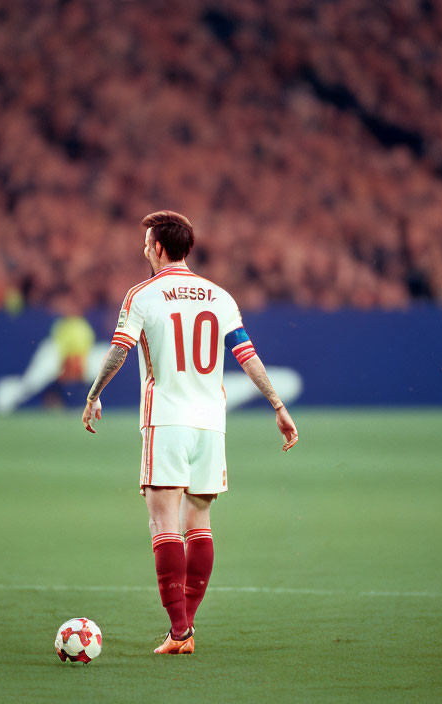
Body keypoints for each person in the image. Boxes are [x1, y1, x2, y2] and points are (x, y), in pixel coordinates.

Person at [81, 211, 299, 654]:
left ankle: (180, 631)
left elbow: (119, 352)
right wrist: (278, 405)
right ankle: (185, 628)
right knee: (199, 523)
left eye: (147, 243)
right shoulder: (219, 297)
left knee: (163, 523)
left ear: (159, 247)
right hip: (210, 425)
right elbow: (247, 355)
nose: (144, 249)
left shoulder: (141, 295)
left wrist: (92, 395)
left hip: (167, 420)